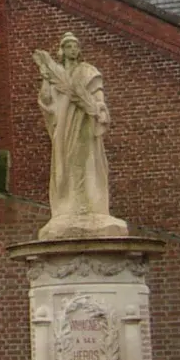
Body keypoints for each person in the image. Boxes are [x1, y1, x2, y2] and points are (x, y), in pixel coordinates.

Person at [33, 32, 126, 238]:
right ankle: (68, 206)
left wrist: (98, 107)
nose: (73, 50)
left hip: (84, 124)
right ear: (62, 50)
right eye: (68, 47)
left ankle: (91, 205)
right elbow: (47, 101)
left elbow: (97, 94)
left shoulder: (88, 71)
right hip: (65, 125)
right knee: (65, 164)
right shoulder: (55, 73)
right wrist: (47, 86)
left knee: (87, 160)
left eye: (75, 46)